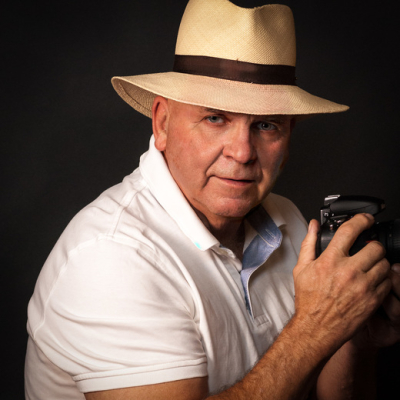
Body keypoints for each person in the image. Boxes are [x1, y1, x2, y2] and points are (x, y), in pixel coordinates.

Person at [25, 0, 400, 399]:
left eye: (266, 125)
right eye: (215, 118)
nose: (242, 152)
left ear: (288, 136)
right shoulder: (111, 255)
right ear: (162, 123)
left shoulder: (288, 220)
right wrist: (315, 327)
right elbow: (310, 337)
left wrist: (351, 334)